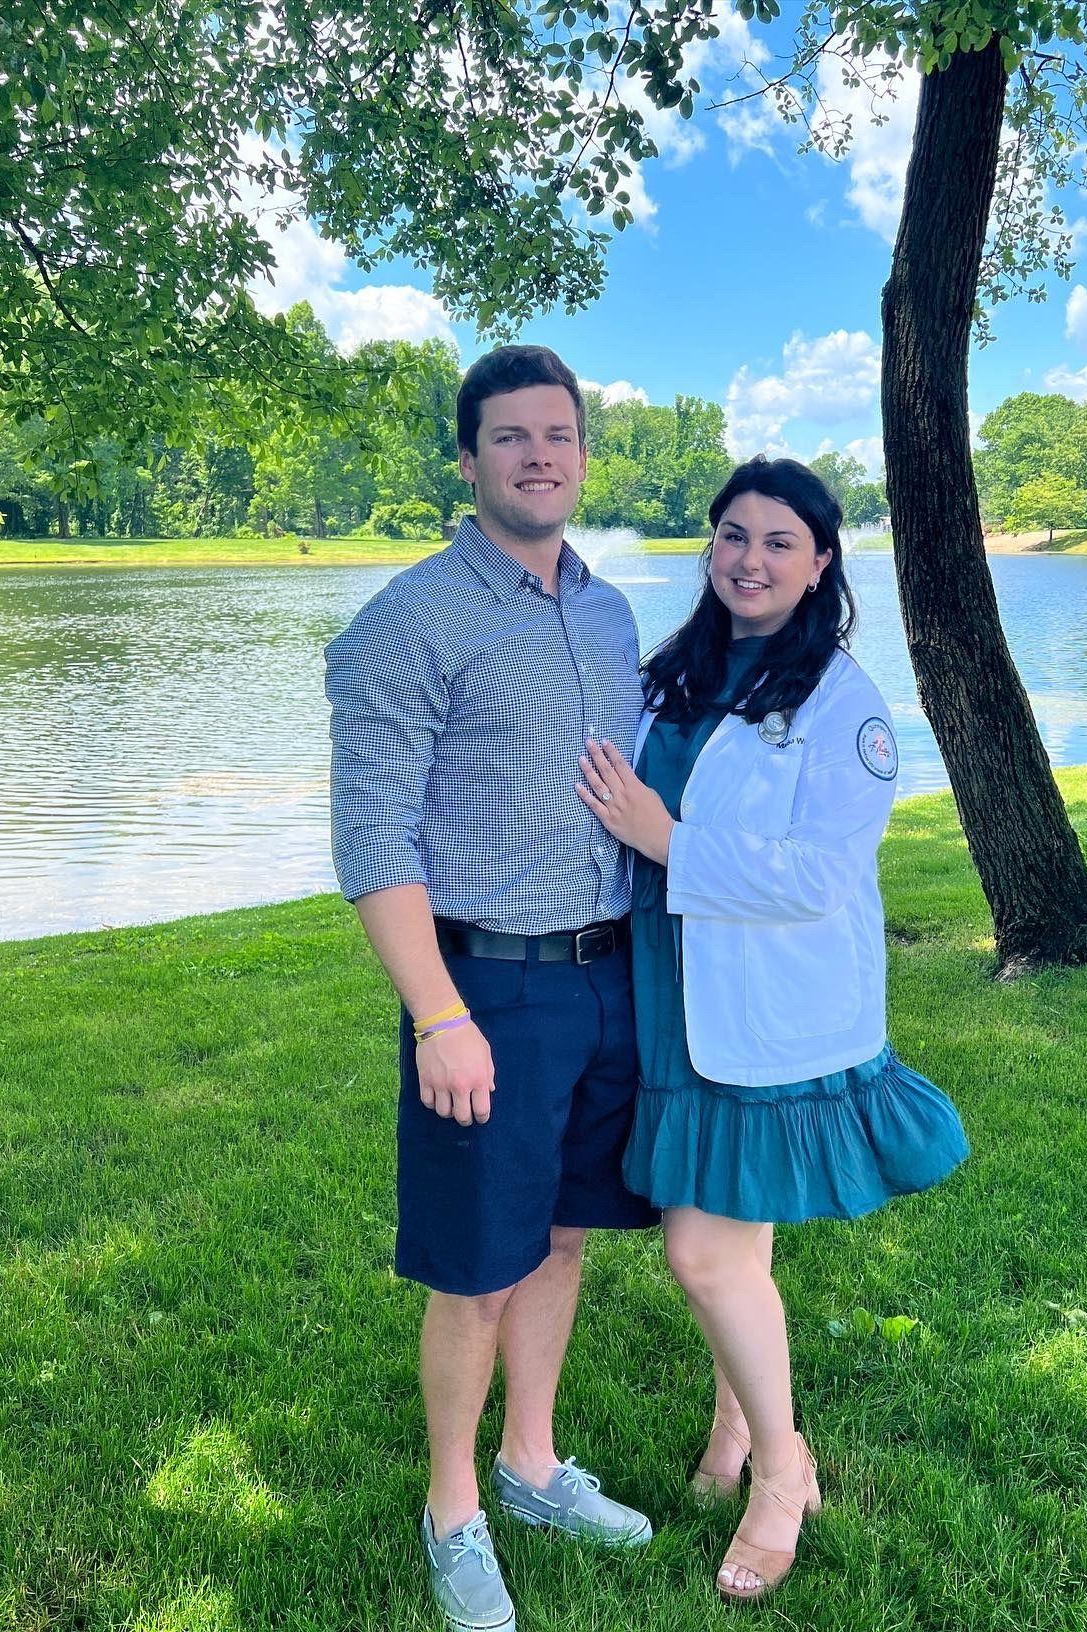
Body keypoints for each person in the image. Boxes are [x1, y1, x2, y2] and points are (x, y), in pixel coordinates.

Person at [575, 455, 969, 1604]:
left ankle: (783, 1472)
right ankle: (733, 1434)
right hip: (671, 989)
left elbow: (822, 877)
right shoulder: (673, 672)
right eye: (733, 535)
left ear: (822, 563)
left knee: (703, 1253)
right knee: (737, 1251)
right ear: (710, 546)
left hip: (771, 1003)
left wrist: (667, 840)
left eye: (779, 542)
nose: (751, 559)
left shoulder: (843, 703)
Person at [326, 345, 659, 1632]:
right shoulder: (408, 621)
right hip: (482, 989)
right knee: (476, 1265)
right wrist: (439, 1014)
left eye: (559, 435)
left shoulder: (610, 611)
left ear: (582, 453)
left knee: (563, 1235)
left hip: (602, 977)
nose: (538, 455)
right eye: (510, 437)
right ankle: (453, 1506)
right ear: (466, 462)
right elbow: (373, 841)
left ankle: (532, 1464)